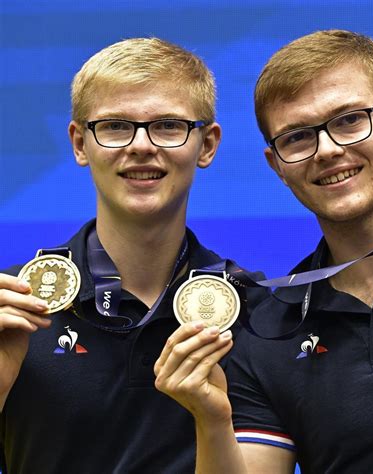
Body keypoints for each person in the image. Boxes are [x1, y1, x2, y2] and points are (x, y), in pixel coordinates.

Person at [154, 29, 373, 473]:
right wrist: (212, 419)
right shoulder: (268, 330)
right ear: (277, 165)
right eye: (298, 137)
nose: (327, 150)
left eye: (349, 120)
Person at [0, 37, 267, 474]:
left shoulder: (256, 313)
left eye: (167, 125)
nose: (141, 145)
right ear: (80, 143)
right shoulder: (14, 309)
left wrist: (212, 420)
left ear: (208, 144)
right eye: (116, 126)